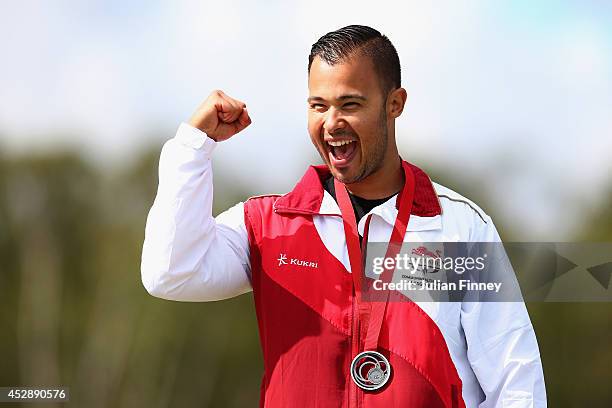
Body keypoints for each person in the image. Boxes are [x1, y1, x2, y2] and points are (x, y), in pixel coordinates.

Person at [141, 25, 546, 407]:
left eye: (350, 104)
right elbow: (171, 273)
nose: (331, 123)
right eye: (318, 105)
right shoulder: (267, 225)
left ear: (394, 104)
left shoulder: (457, 226)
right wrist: (193, 146)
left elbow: (515, 380)